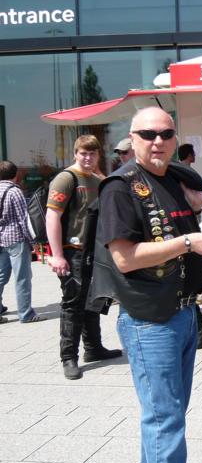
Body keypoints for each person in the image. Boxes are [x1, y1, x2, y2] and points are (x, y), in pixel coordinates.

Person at [92, 107, 202, 463]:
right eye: (148, 134)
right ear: (131, 138)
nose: (158, 141)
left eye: (166, 134)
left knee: (165, 417)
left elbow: (201, 198)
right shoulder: (120, 187)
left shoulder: (174, 178)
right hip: (150, 319)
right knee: (165, 420)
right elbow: (125, 258)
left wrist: (200, 213)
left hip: (183, 311)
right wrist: (190, 241)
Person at [46, 134, 121, 380]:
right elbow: (52, 216)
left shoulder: (98, 180)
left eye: (92, 153)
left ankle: (93, 348)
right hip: (73, 251)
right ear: (75, 154)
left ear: (98, 155)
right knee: (73, 303)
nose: (87, 158)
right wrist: (57, 255)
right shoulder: (66, 178)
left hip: (95, 251)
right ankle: (69, 357)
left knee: (93, 299)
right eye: (83, 153)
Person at [0, 161, 40, 324]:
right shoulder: (14, 191)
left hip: (1, 239)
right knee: (22, 277)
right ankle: (26, 314)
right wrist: (33, 241)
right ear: (15, 175)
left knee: (1, 275)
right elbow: (24, 219)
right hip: (16, 239)